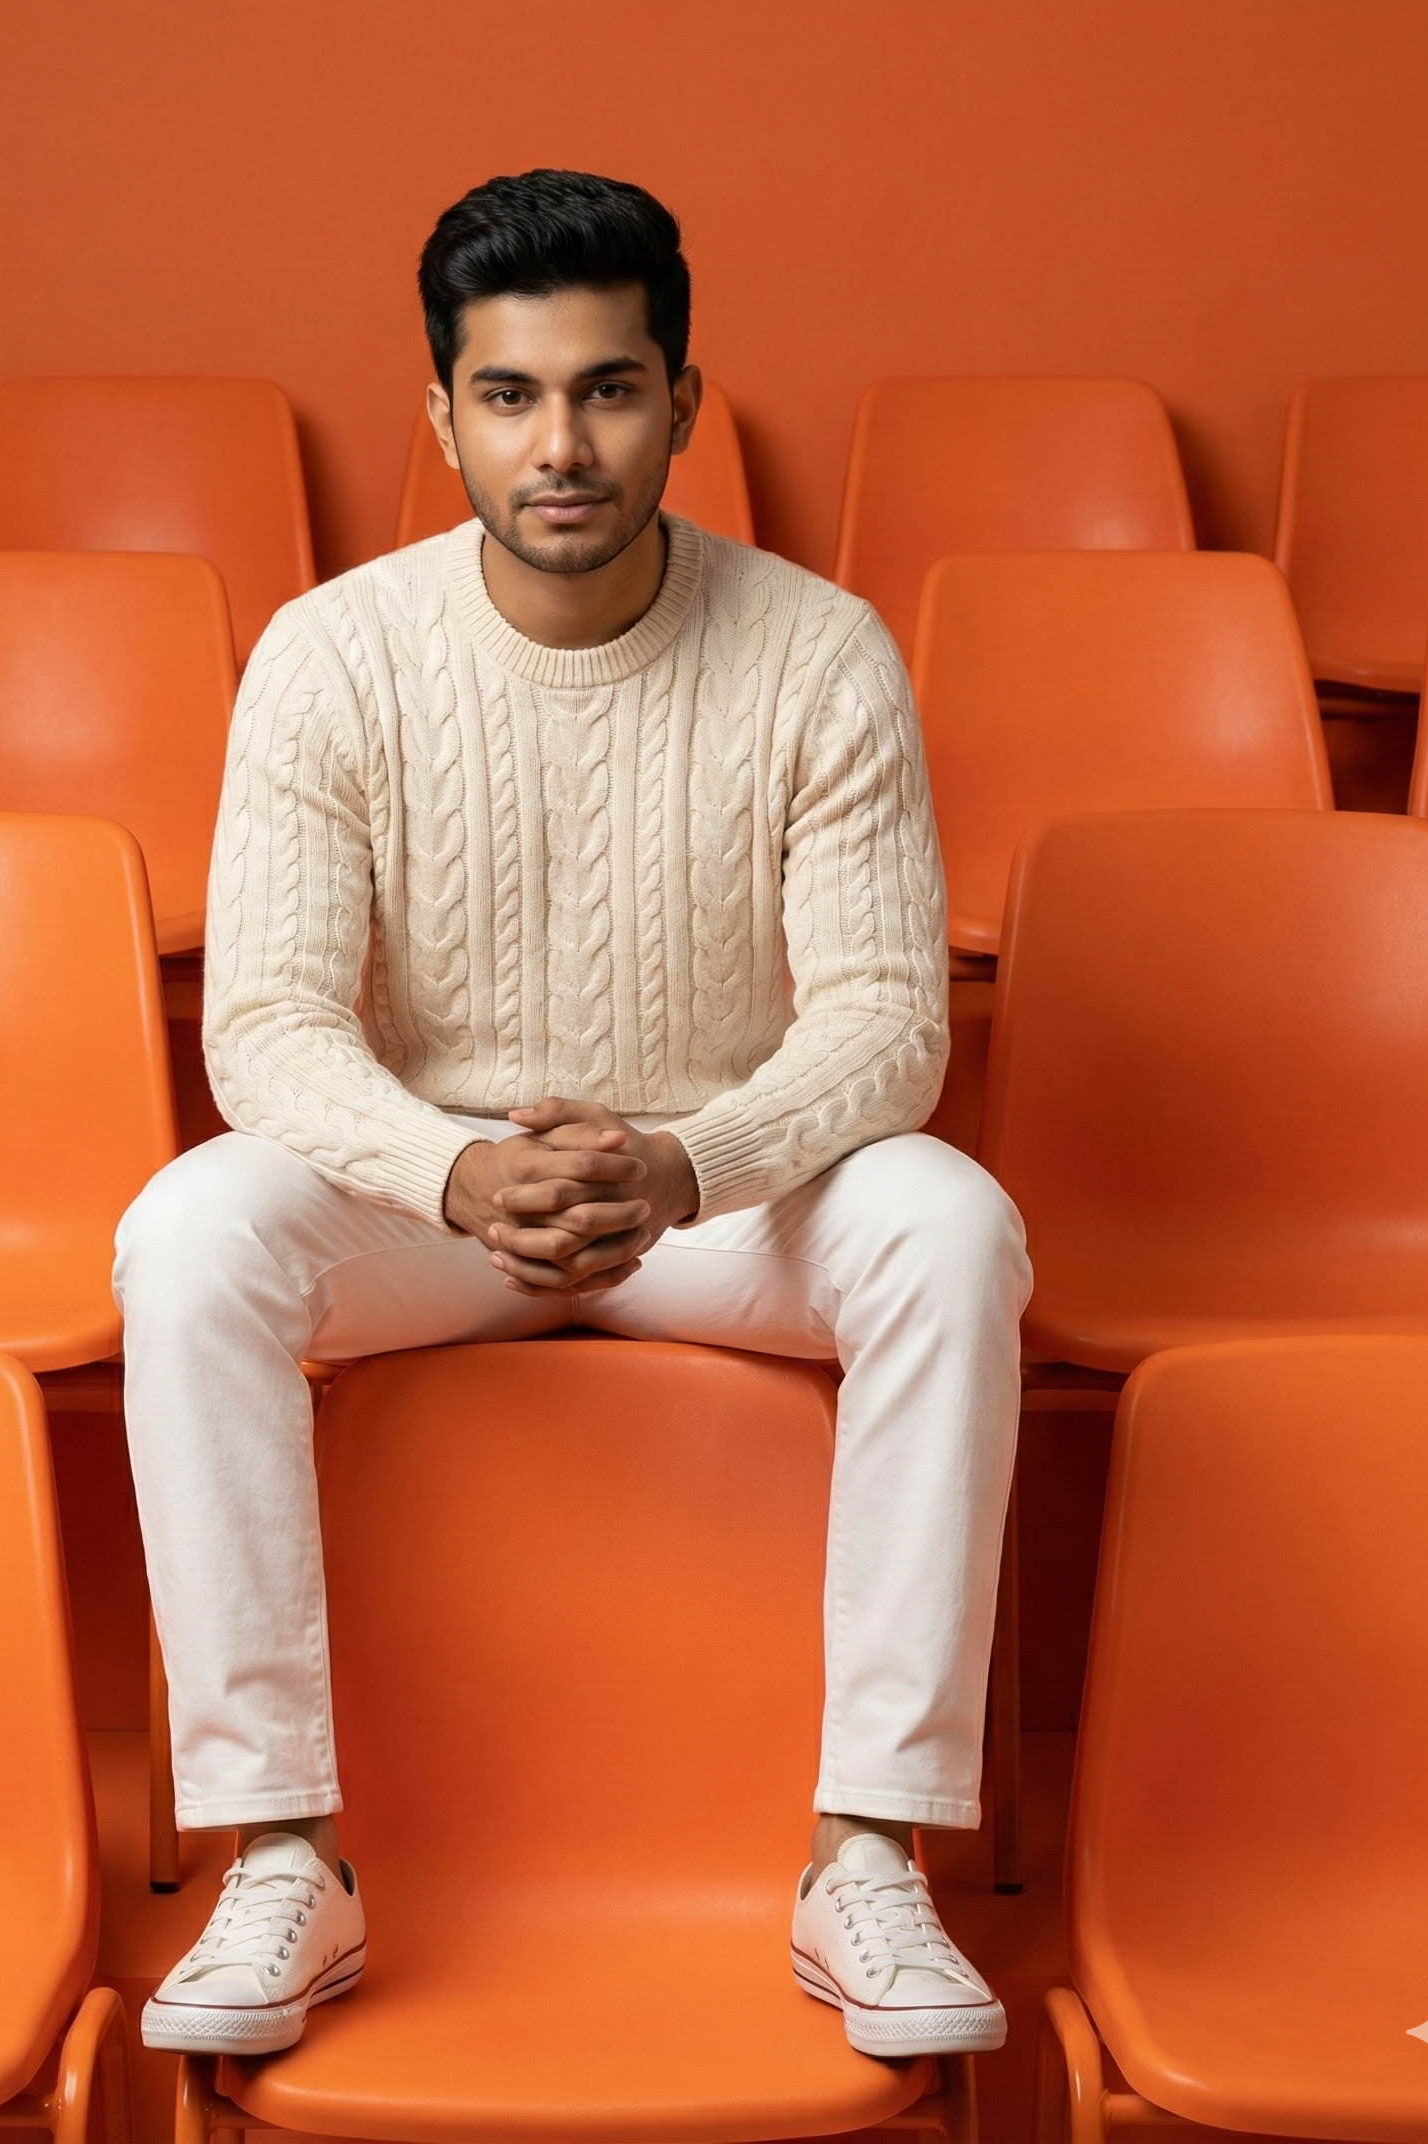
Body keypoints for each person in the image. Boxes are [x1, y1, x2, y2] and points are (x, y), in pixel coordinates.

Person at [116, 168, 1031, 2063]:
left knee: (949, 1221)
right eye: (513, 396)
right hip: (433, 1207)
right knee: (187, 1232)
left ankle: (868, 1851)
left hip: (715, 1200)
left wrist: (690, 1160)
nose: (562, 444)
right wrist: (454, 1170)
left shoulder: (821, 650)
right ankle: (284, 1851)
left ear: (685, 404)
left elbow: (882, 1021)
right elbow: (270, 1027)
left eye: (609, 390)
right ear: (441, 412)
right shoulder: (330, 654)